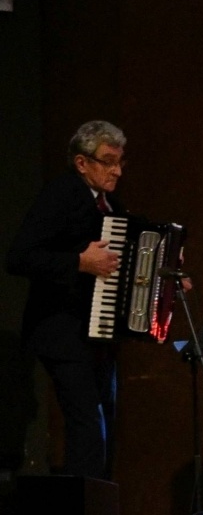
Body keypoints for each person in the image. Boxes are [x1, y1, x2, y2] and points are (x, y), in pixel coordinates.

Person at [6, 121, 132, 479]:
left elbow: (129, 255)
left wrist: (166, 270)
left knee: (103, 423)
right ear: (81, 163)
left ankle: (96, 505)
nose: (117, 171)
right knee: (87, 425)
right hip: (61, 331)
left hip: (96, 334)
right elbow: (19, 258)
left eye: (120, 162)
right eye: (108, 161)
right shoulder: (61, 193)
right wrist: (79, 261)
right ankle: (83, 510)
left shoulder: (110, 205)